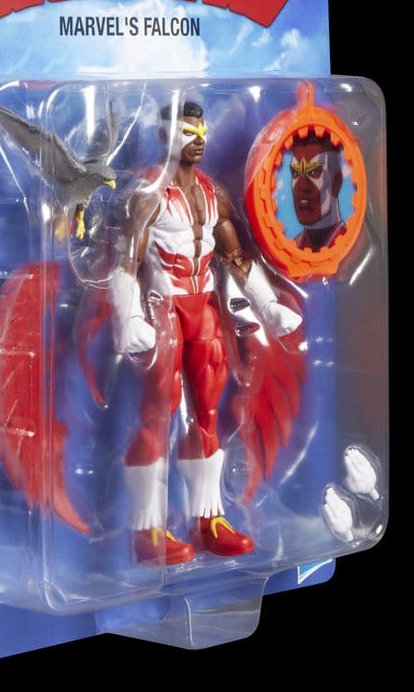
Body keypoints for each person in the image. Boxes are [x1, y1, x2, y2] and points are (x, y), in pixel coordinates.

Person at [108, 101, 302, 564]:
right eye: (188, 130)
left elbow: (235, 257)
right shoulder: (149, 194)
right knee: (158, 411)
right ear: (165, 135)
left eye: (202, 130)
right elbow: (125, 262)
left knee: (208, 414)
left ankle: (210, 518)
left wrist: (268, 305)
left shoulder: (214, 194)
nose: (198, 139)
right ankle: (148, 529)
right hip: (165, 306)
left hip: (206, 306)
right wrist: (128, 316)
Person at [289, 135, 347, 251]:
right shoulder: (293, 247)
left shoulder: (350, 245)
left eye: (314, 172)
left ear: (336, 183)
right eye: (295, 173)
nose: (302, 186)